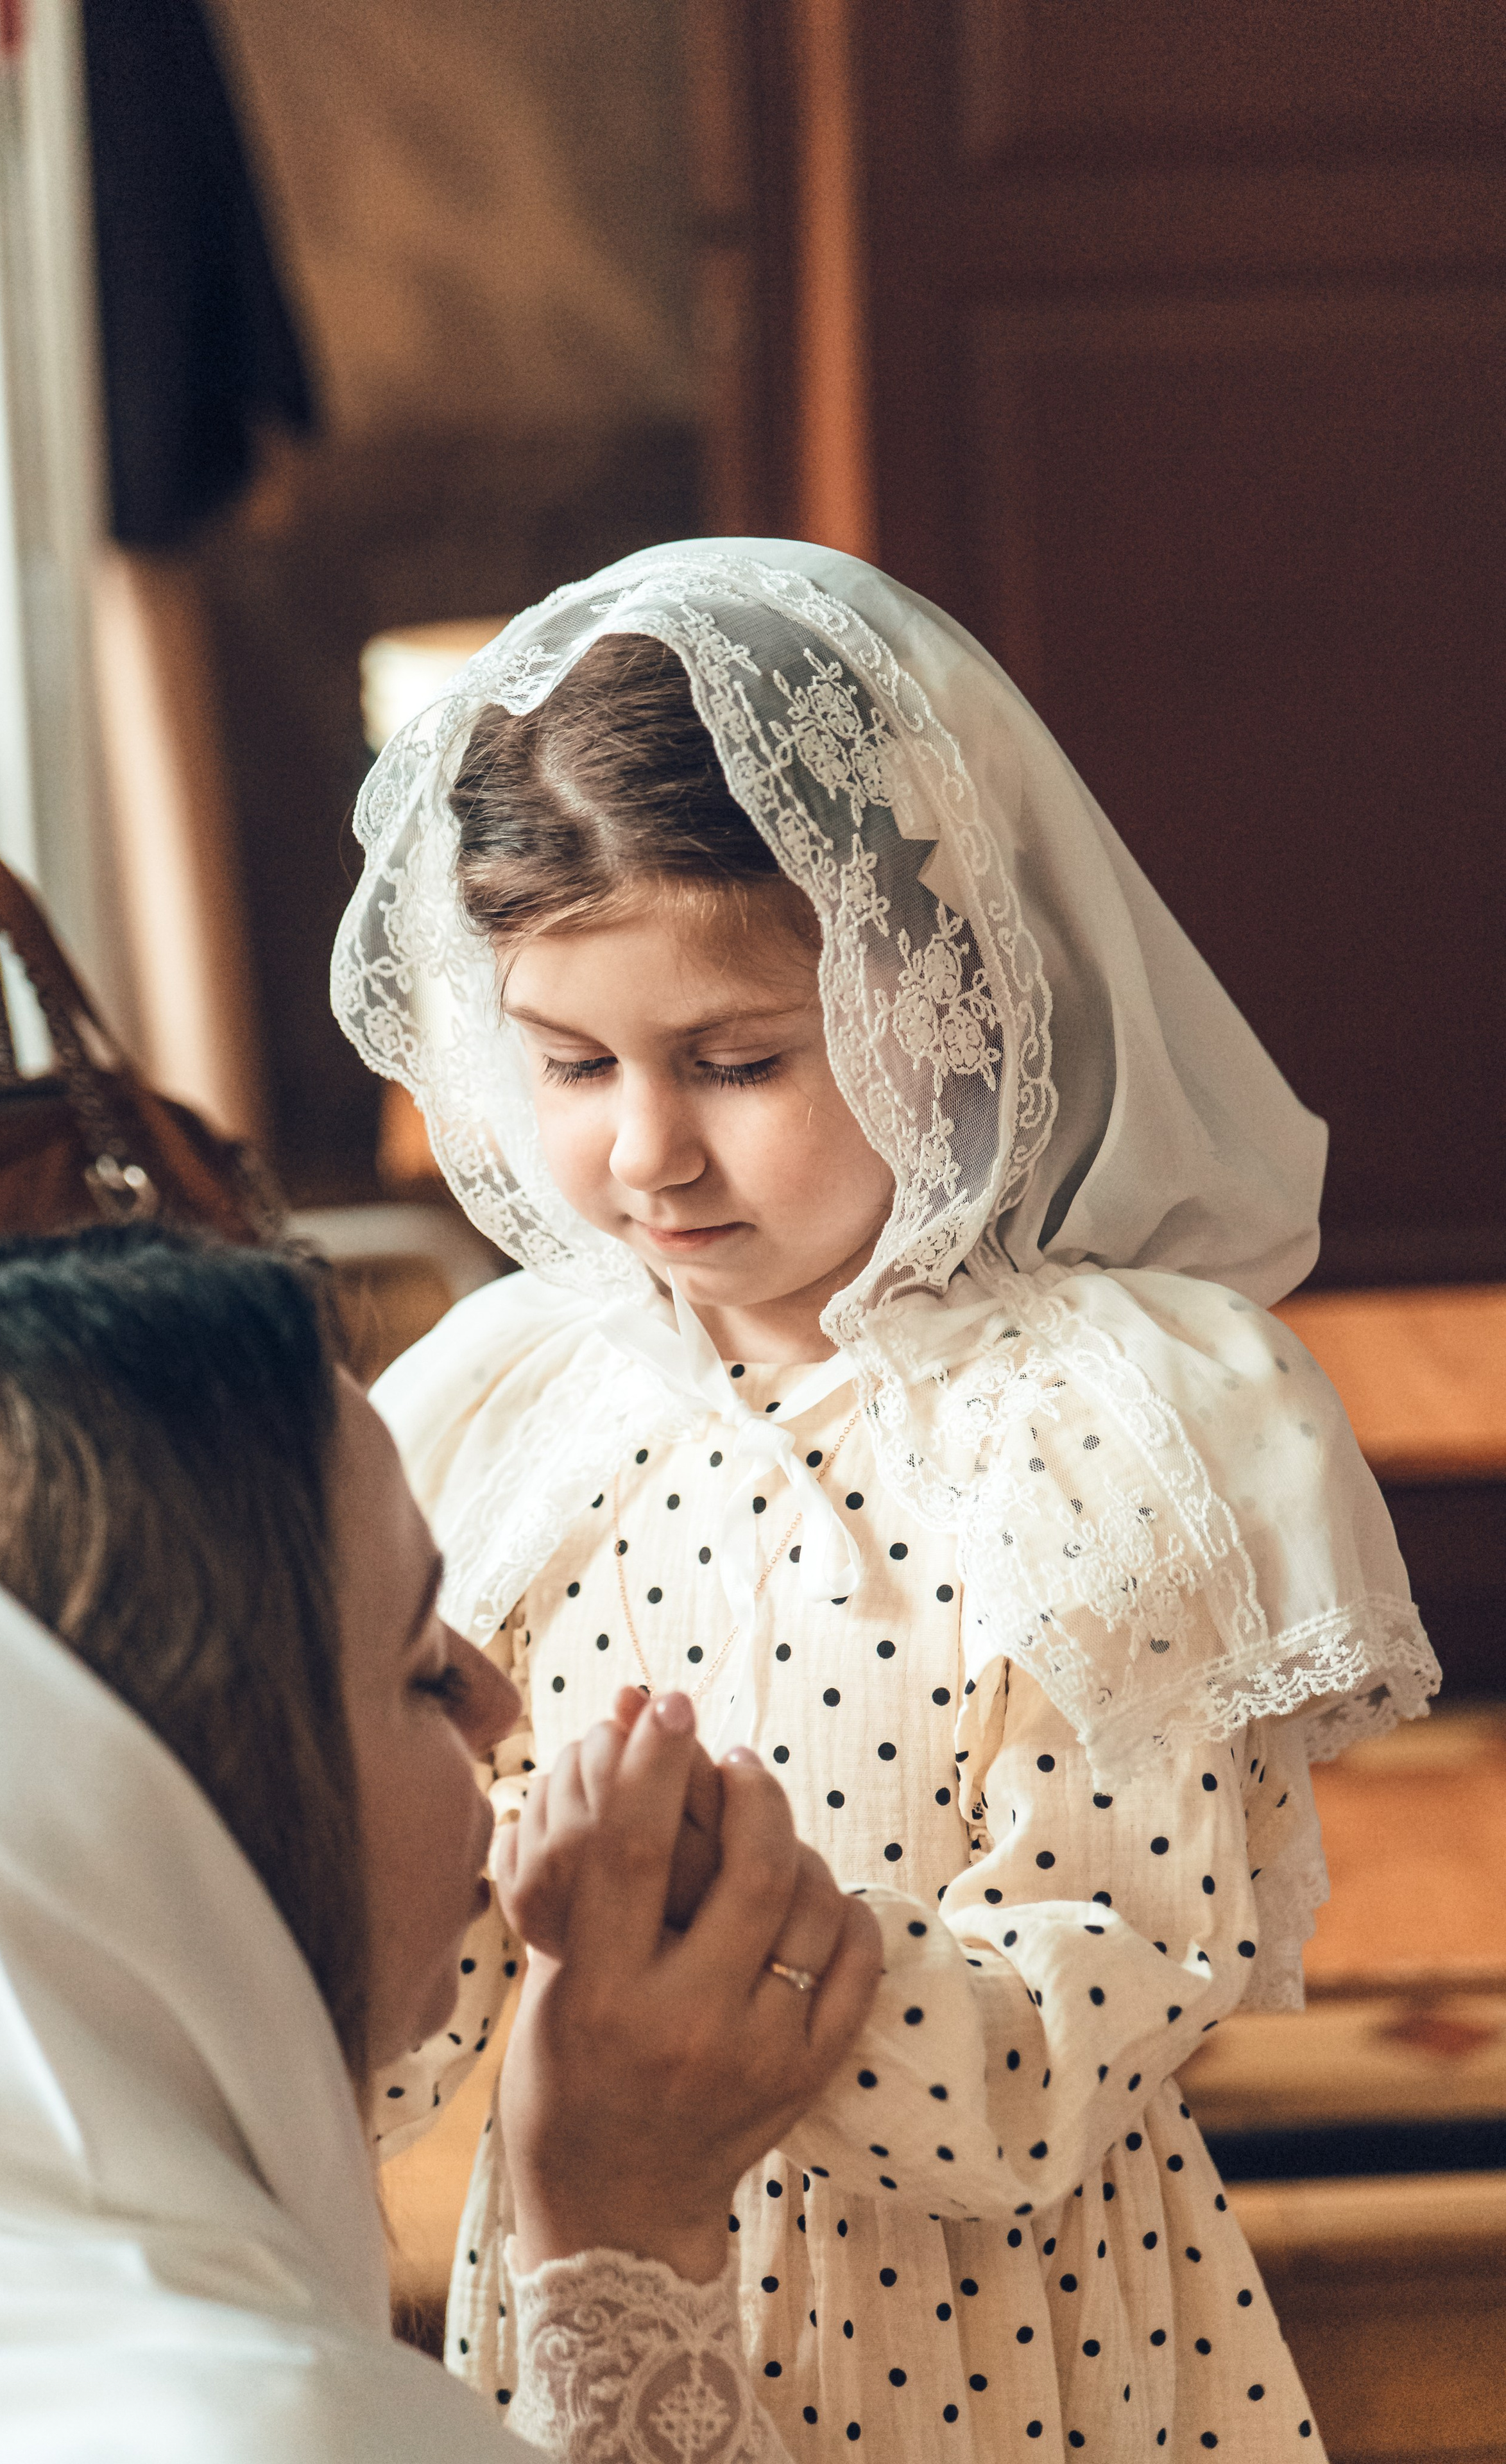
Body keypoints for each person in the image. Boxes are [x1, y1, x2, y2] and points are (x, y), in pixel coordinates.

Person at [332, 538, 1439, 2460]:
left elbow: (1057, 2052)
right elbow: (398, 2021)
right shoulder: (502, 1411)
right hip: (592, 2289)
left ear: (942, 991)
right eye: (572, 1064)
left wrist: (705, 1931)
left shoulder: (1121, 1424)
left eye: (740, 1059)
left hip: (1001, 2346)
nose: (648, 1149)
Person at [0, 1222, 878, 2462]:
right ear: (176, 1817)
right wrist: (631, 2240)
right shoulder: (266, 2434)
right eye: (417, 1669)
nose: (503, 1712)